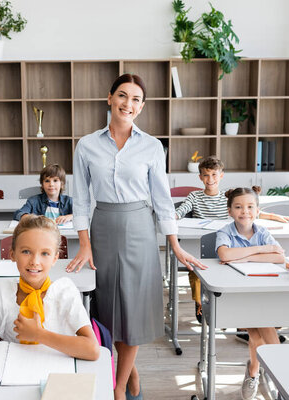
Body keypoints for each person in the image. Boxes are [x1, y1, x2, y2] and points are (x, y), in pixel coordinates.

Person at [67, 73, 206, 400]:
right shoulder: (86, 145)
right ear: (109, 98)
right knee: (107, 312)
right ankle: (132, 377)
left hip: (140, 229)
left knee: (133, 311)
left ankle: (118, 388)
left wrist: (174, 243)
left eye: (135, 99)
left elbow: (161, 198)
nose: (128, 103)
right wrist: (84, 243)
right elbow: (82, 199)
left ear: (141, 107)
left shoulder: (152, 146)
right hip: (103, 227)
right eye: (122, 96)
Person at [0, 215, 99, 378]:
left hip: (58, 377)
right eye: (26, 251)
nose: (35, 261)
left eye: (45, 253)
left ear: (55, 258)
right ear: (12, 254)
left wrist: (39, 334)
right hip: (14, 376)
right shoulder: (4, 291)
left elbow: (92, 349)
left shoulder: (65, 291)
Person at [175, 156, 289, 331]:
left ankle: (243, 320)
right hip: (202, 241)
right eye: (206, 175)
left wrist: (275, 216)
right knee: (196, 271)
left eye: (214, 175)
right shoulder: (195, 196)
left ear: (221, 176)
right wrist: (174, 217)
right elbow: (182, 210)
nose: (210, 179)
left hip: (233, 248)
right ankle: (203, 304)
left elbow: (249, 212)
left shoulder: (229, 198)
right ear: (200, 177)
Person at [215, 187, 285, 400]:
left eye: (249, 207)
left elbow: (280, 257)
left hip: (263, 292)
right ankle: (283, 375)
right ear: (230, 210)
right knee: (262, 334)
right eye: (238, 207)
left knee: (256, 335)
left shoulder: (262, 232)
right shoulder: (225, 232)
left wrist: (244, 257)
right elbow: (225, 254)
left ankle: (254, 372)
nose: (244, 211)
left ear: (257, 210)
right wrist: (261, 250)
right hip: (236, 297)